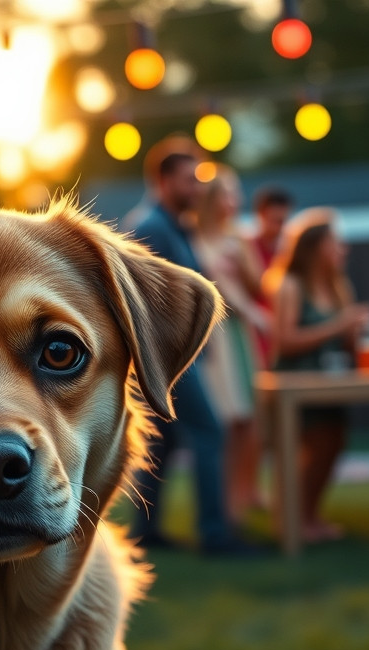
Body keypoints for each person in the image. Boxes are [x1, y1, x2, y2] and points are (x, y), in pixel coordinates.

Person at [124, 137, 259, 558]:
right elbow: (152, 303)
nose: (198, 190)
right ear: (164, 181)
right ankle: (216, 535)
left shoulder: (169, 225)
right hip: (170, 361)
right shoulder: (152, 229)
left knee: (163, 442)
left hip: (173, 360)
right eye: (190, 181)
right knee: (209, 432)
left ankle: (147, 531)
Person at [264, 208, 369, 543]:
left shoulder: (338, 285)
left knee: (333, 442)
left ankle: (309, 516)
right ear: (315, 246)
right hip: (294, 383)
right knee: (311, 448)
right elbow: (285, 341)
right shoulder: (289, 285)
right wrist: (340, 323)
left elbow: (348, 342)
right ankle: (291, 521)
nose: (343, 249)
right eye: (336, 242)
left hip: (328, 383)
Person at [192, 165, 270, 519]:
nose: (234, 201)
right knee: (224, 420)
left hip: (239, 335)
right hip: (214, 339)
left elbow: (259, 287)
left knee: (249, 419)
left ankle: (246, 492)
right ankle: (225, 504)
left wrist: (242, 258)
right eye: (228, 194)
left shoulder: (237, 238)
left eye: (235, 194)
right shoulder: (193, 238)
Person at [246, 185, 293, 366]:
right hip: (257, 331)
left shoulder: (289, 249)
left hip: (280, 329)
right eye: (275, 220)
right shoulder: (247, 246)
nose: (280, 227)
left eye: (283, 221)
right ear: (261, 215)